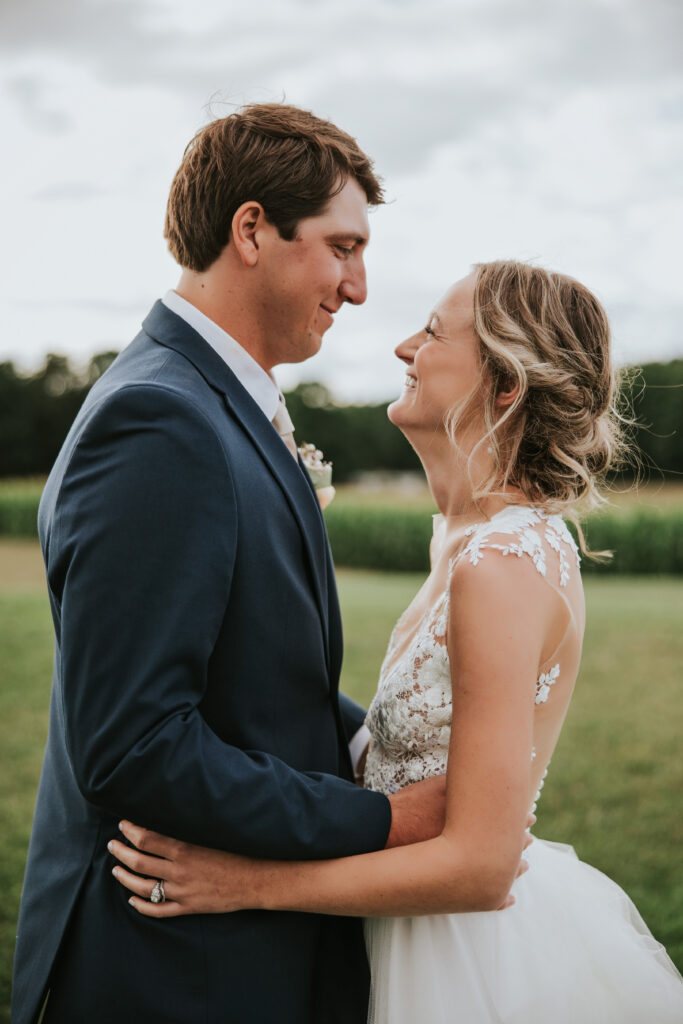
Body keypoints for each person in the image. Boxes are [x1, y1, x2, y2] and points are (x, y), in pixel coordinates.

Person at [110, 261, 683, 1022]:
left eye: (435, 332)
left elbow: (481, 868)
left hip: (460, 956)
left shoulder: (499, 565)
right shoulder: (465, 540)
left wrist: (239, 883)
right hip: (395, 923)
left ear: (504, 385)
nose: (404, 346)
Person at [11, 103, 474, 1024]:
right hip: (172, 963)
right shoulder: (160, 420)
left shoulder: (216, 401)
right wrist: (383, 821)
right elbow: (135, 747)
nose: (358, 286)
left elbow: (254, 673)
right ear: (252, 230)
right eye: (342, 247)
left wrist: (374, 747)